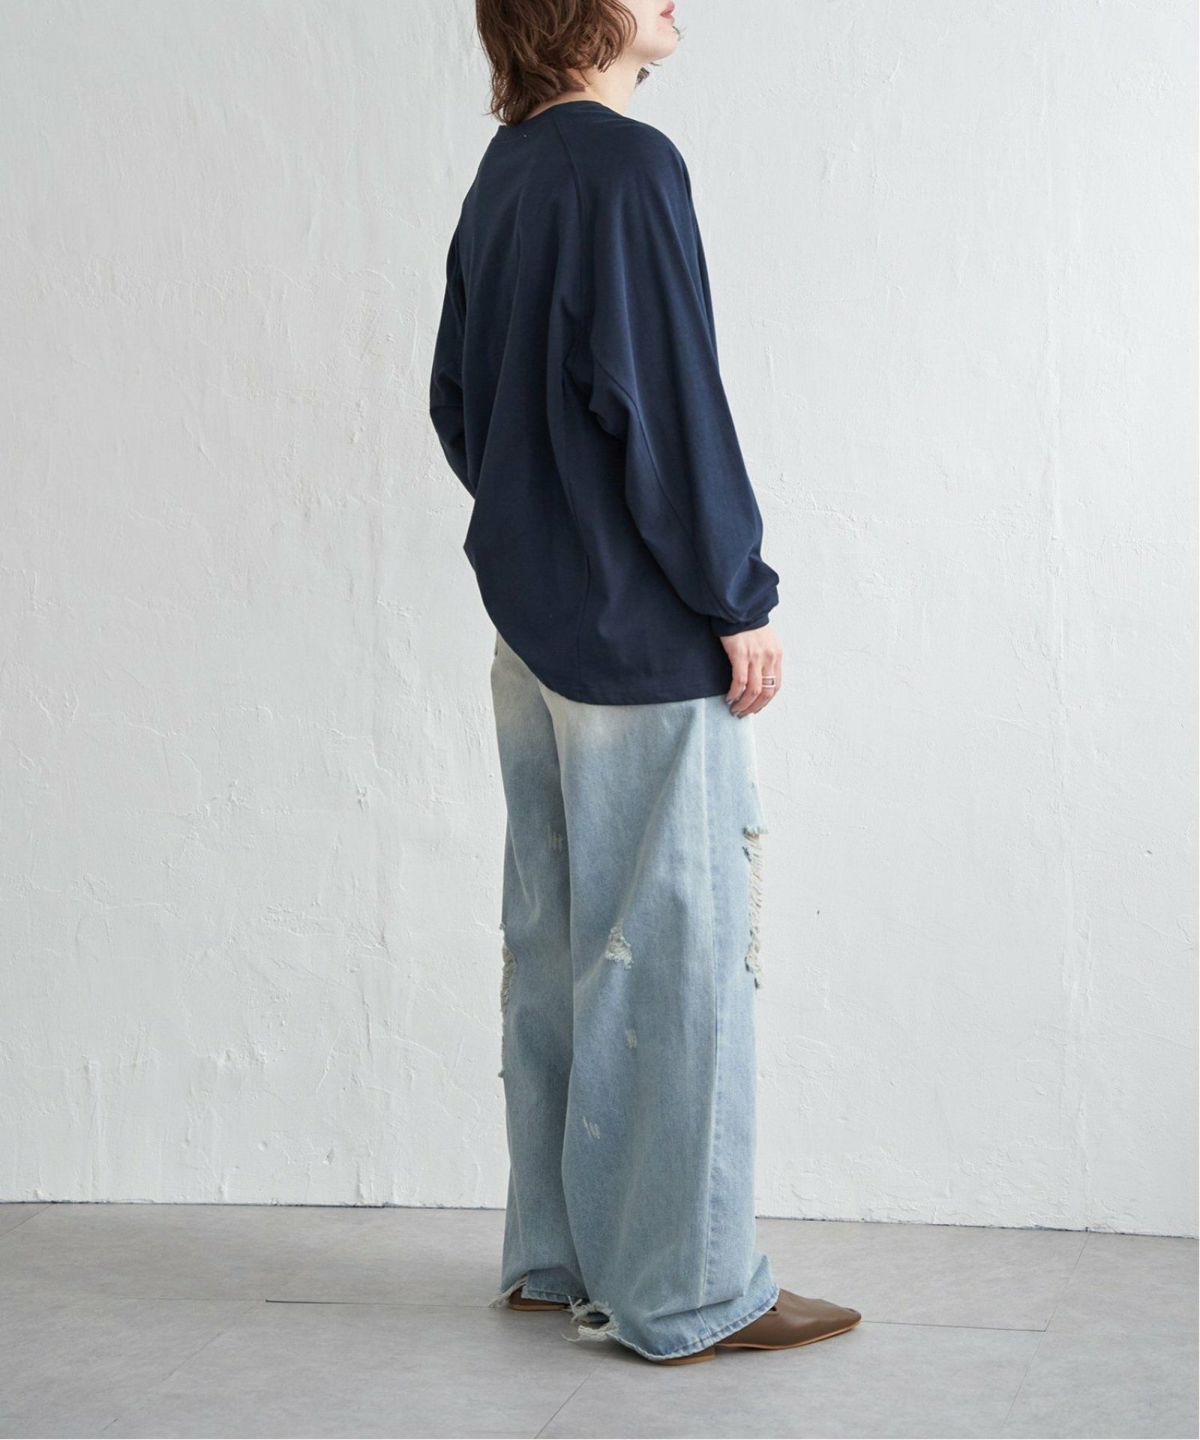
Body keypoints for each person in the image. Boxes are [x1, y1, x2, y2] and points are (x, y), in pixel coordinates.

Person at [429, 0, 860, 1365]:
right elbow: (667, 402)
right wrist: (737, 595)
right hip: (641, 639)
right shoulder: (627, 165)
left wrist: (542, 526)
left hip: (534, 633)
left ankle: (557, 1259)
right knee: (671, 962)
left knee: (559, 948)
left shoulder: (507, 169)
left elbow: (457, 402)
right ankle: (685, 1291)